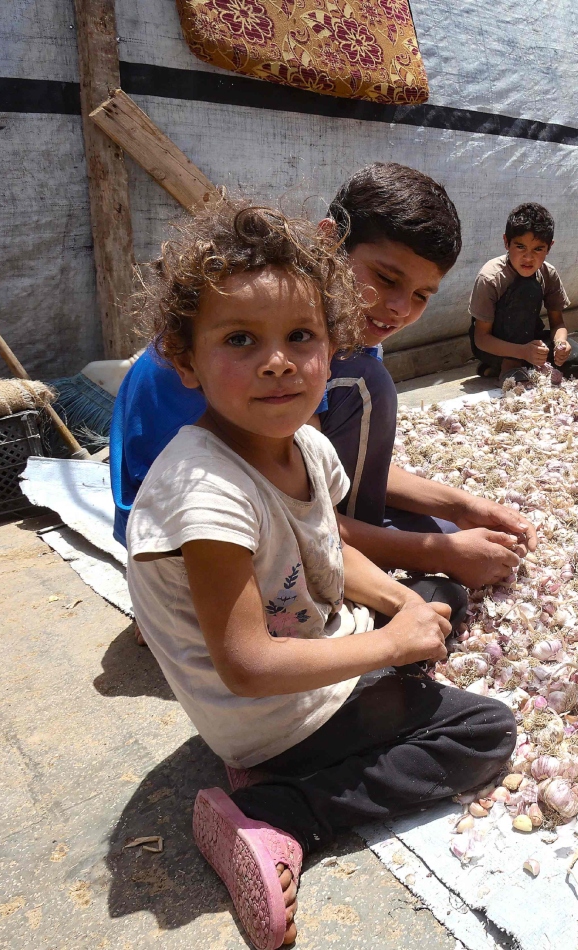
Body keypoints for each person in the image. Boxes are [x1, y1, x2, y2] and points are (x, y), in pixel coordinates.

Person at [124, 198, 516, 950]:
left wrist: (407, 603)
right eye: (241, 340)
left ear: (331, 345)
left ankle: (359, 713)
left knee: (443, 596)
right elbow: (247, 664)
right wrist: (394, 647)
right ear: (184, 355)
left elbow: (334, 553)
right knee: (484, 731)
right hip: (272, 714)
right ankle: (280, 812)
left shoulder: (303, 444)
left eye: (299, 336)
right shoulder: (205, 493)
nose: (277, 361)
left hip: (316, 651)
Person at [111, 164, 535, 592]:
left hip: (242, 500)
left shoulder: (333, 327)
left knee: (441, 524)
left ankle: (375, 544)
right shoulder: (292, 345)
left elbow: (315, 467)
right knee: (368, 388)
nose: (400, 309)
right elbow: (294, 507)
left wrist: (463, 505)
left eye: (422, 295)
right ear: (329, 239)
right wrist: (432, 553)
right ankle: (350, 572)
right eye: (386, 278)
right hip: (192, 545)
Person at [468, 202, 578, 382]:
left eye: (538, 249)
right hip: (495, 346)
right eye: (520, 247)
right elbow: (481, 339)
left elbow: (557, 323)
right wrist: (521, 352)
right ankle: (509, 364)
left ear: (549, 247)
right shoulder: (491, 277)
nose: (528, 258)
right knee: (526, 287)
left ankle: (507, 367)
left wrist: (561, 344)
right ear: (506, 242)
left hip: (531, 339)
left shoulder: (548, 273)